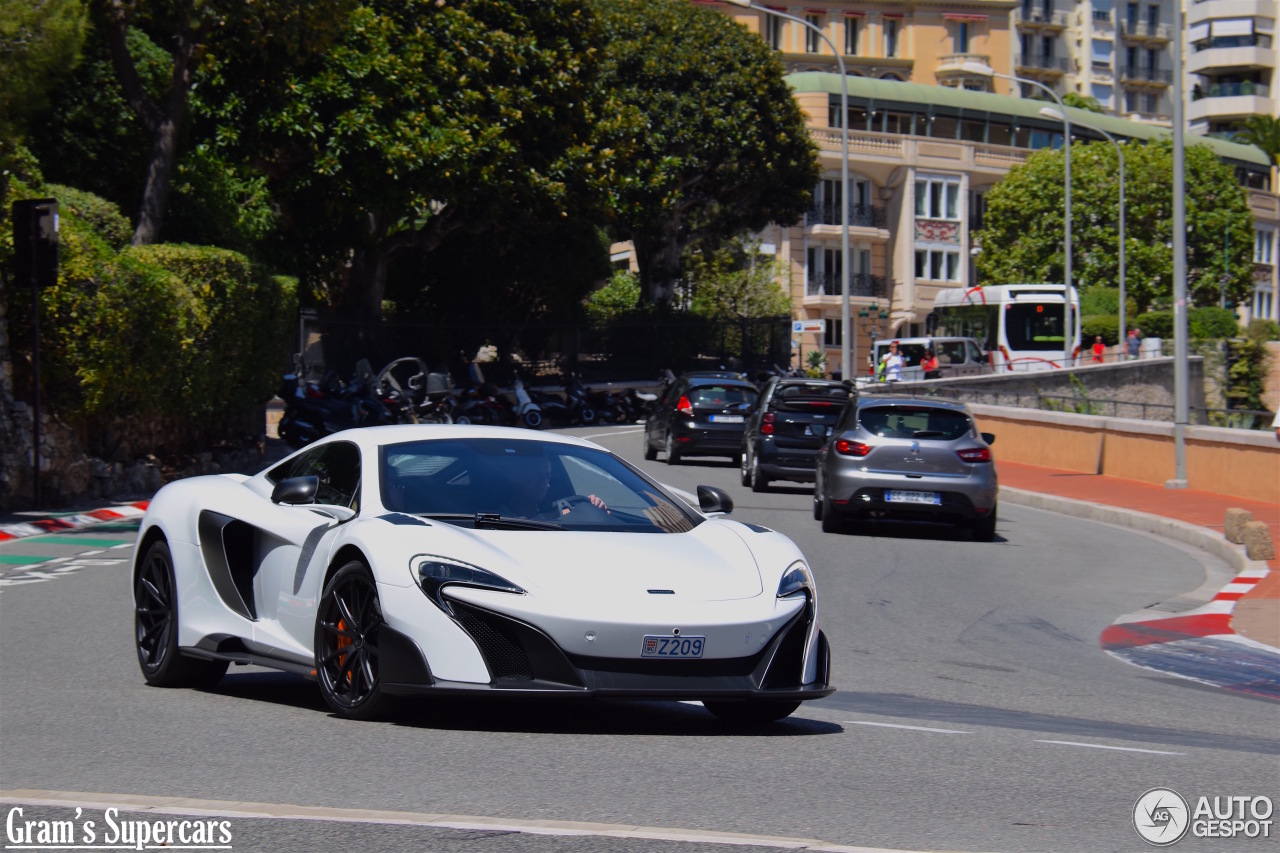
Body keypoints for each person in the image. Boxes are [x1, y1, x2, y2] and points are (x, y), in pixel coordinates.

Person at [498, 454, 607, 519]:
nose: (545, 482)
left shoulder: (559, 516)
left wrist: (595, 510)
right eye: (536, 474)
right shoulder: (492, 519)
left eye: (546, 476)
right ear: (514, 477)